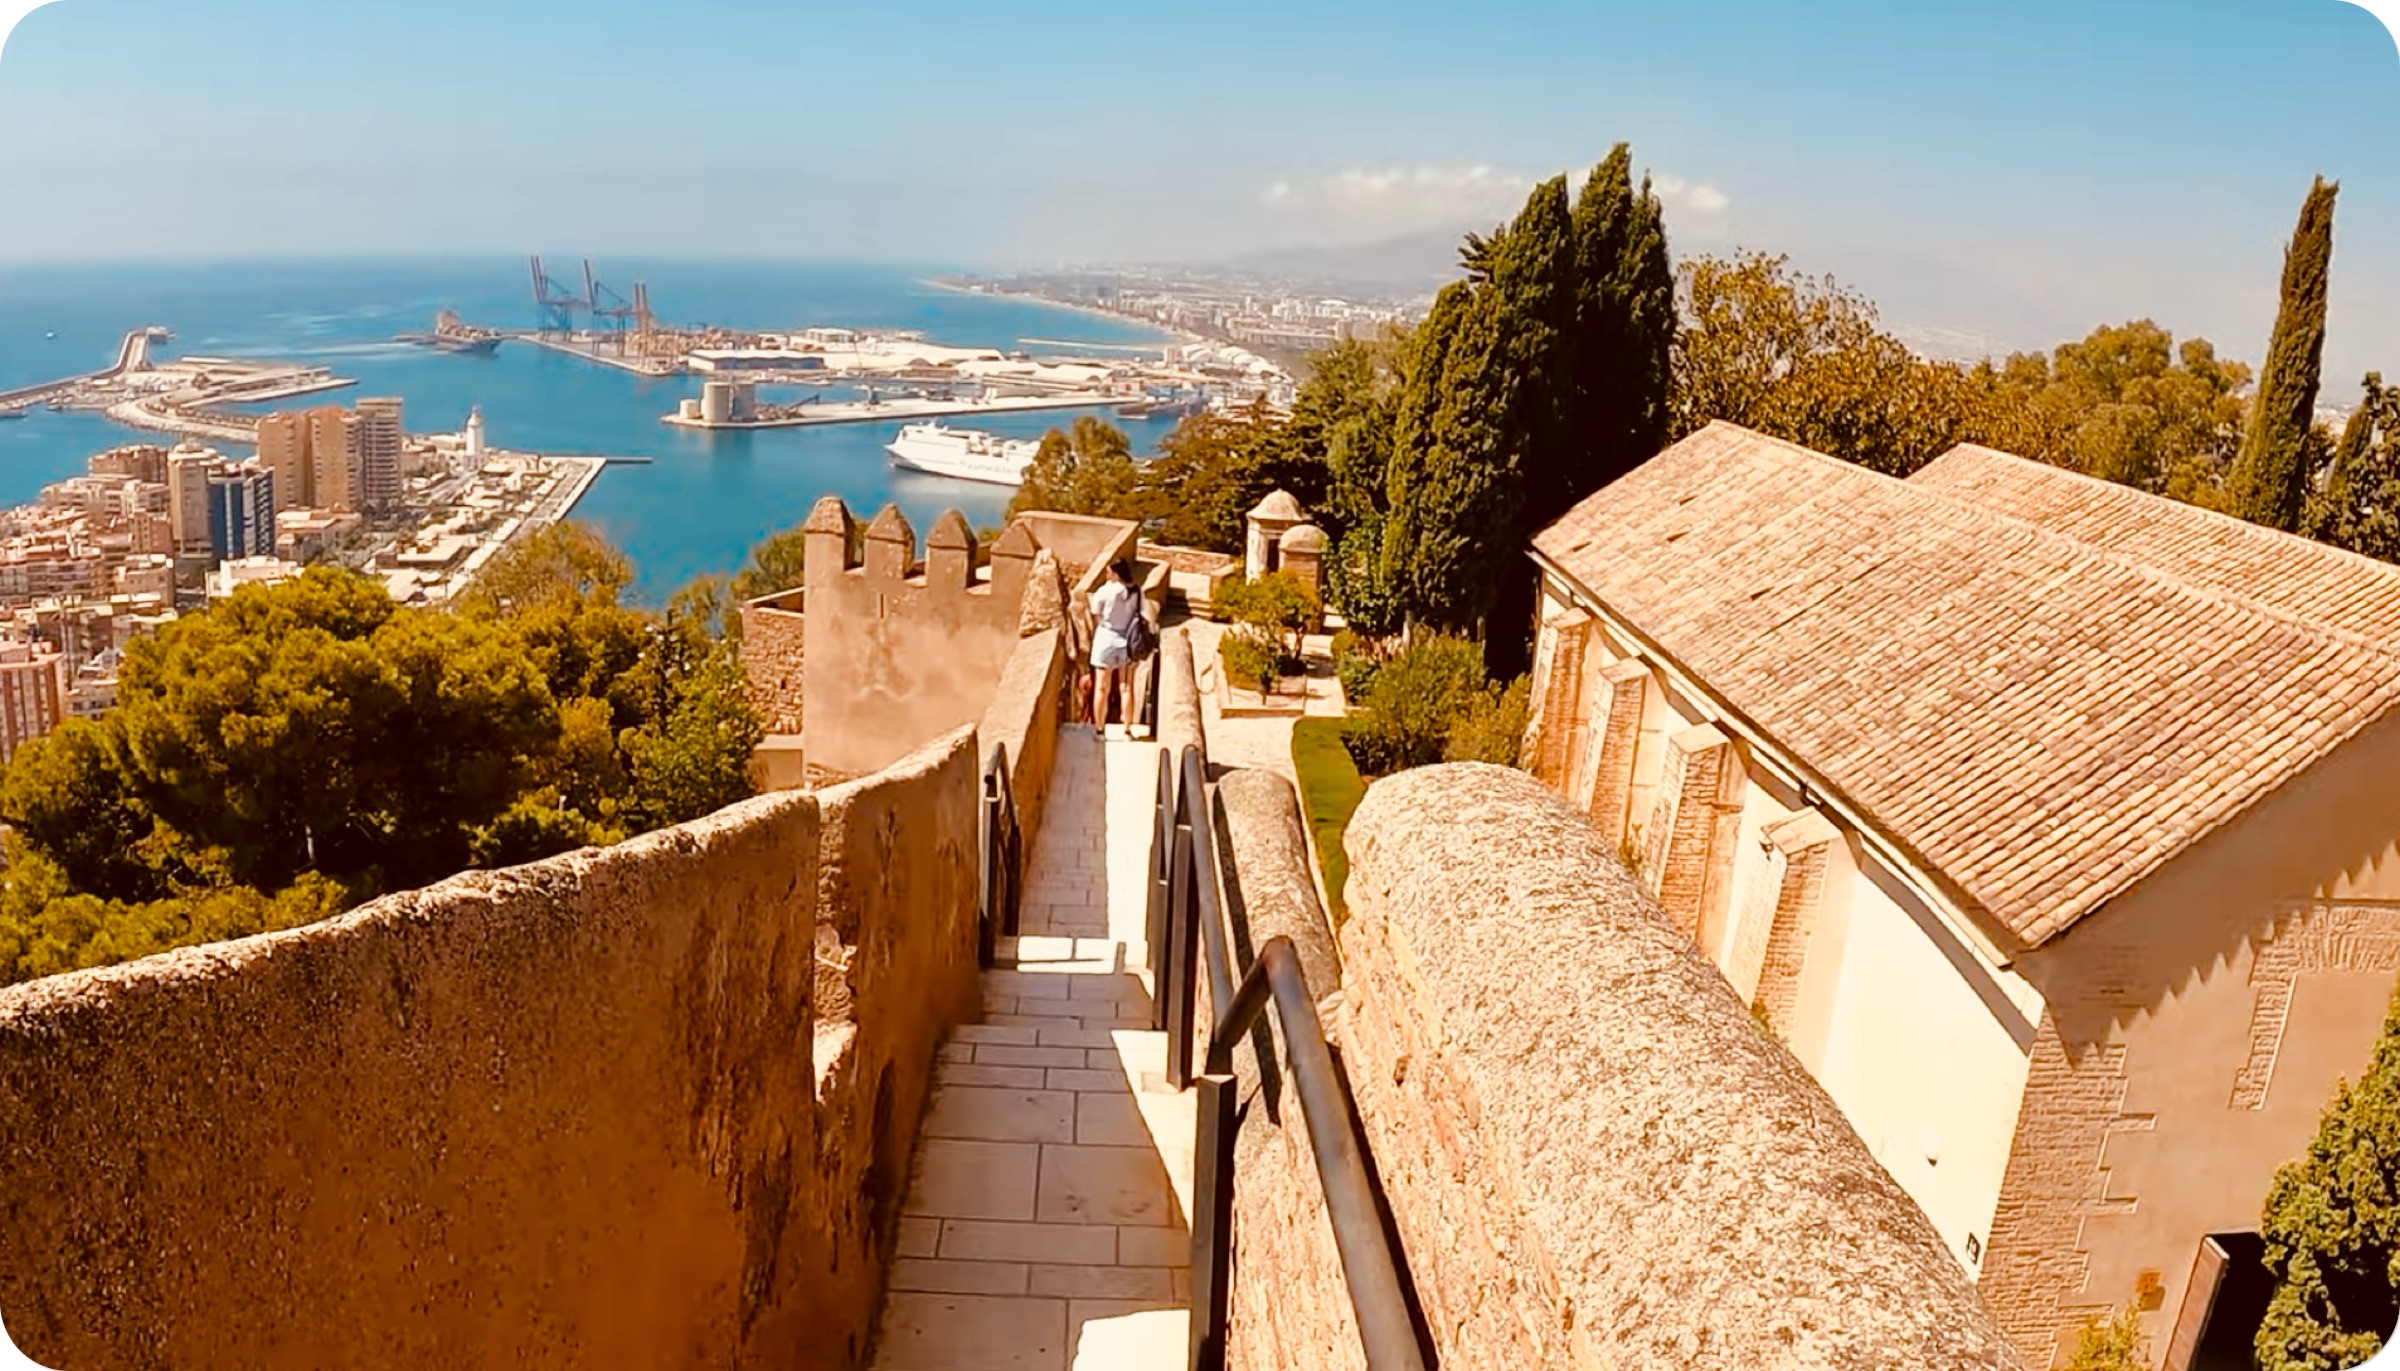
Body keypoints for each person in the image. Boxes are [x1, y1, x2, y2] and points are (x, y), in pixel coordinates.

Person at [1088, 559, 1142, 738]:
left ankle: (1100, 728)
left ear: (1115, 573)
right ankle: (1127, 728)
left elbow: (1095, 613)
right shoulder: (1135, 592)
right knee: (1126, 687)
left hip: (1106, 639)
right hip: (1127, 641)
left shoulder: (1104, 591)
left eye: (1108, 572)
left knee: (1102, 687)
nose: (1106, 575)